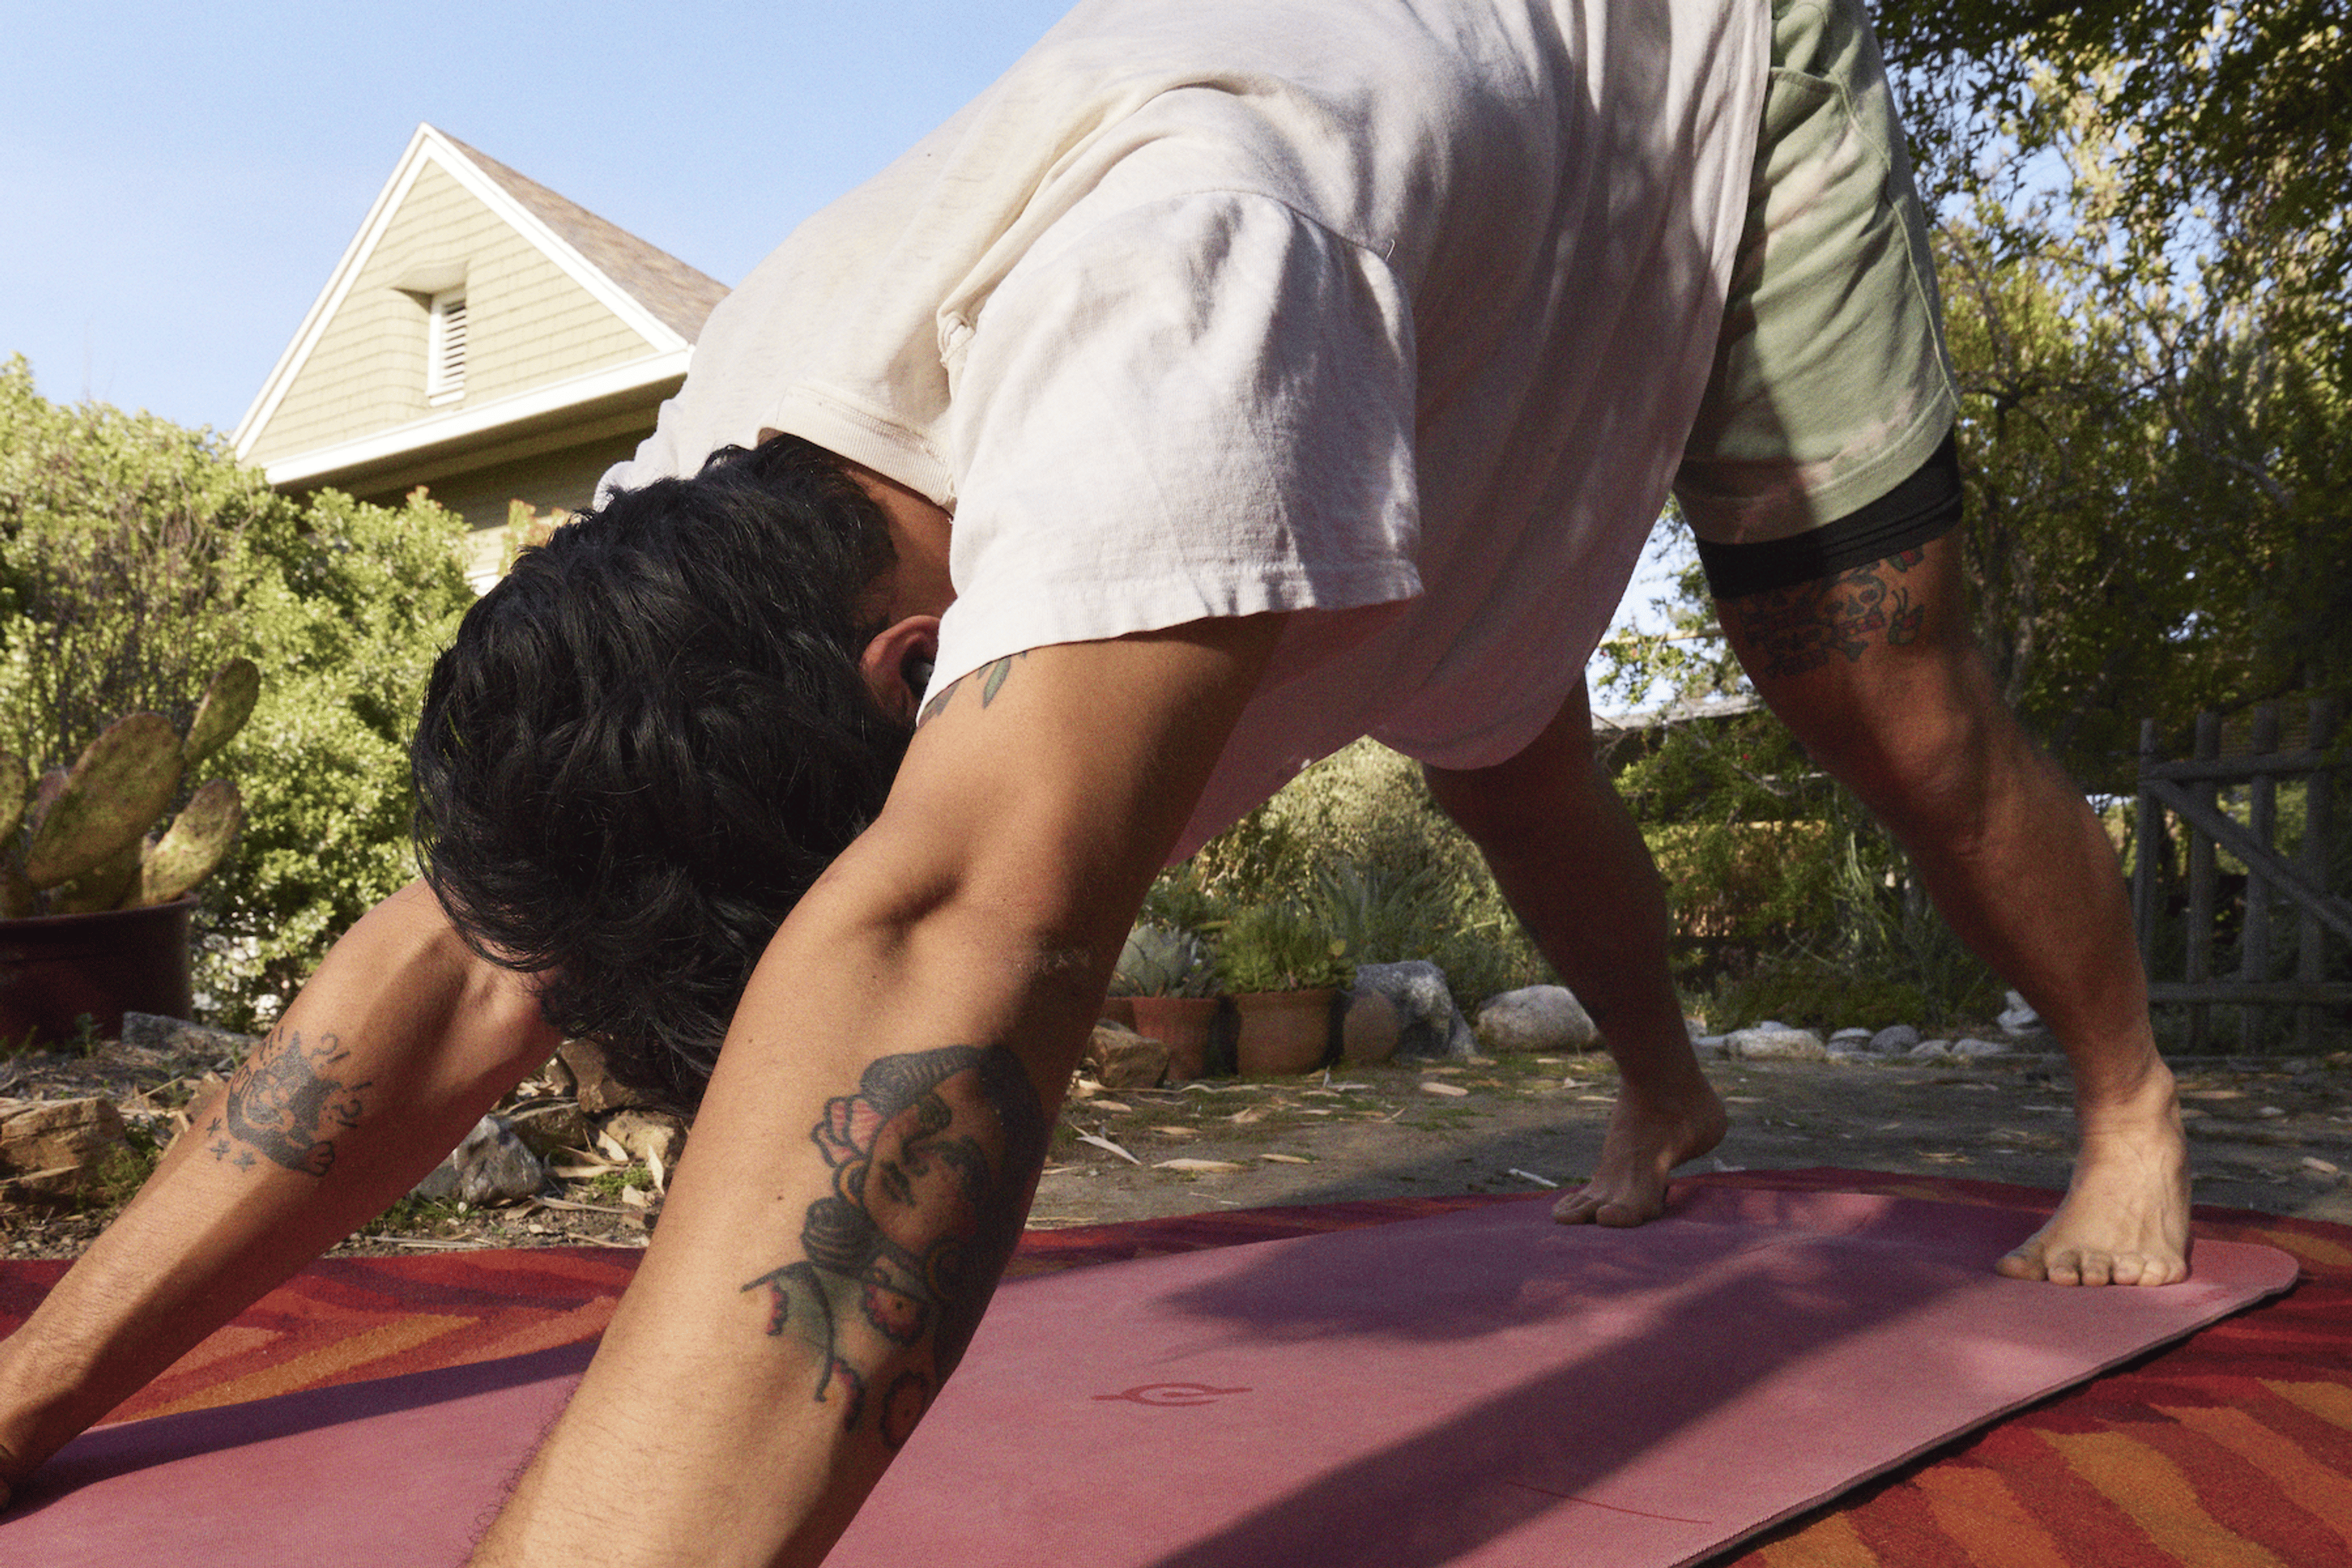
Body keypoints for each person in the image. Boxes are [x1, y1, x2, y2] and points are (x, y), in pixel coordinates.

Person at [0, 0, 2188, 1559]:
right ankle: (1671, 1089)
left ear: (925, 675)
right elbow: (476, 951)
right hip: (1431, 213)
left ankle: (2124, 1097)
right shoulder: (719, 476)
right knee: (1498, 732)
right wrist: (37, 1391)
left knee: (1868, 689)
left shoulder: (1190, 310)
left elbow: (958, 929)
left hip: (1697, 66)